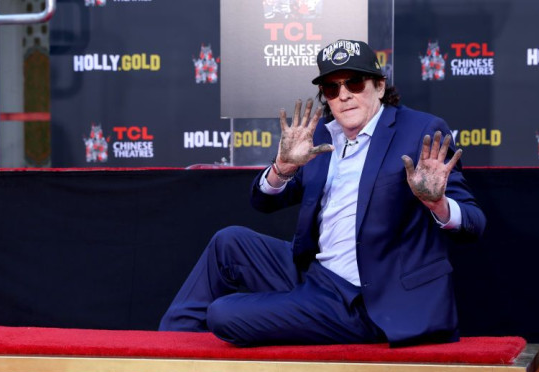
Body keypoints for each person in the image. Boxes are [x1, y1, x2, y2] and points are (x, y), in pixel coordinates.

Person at [159, 39, 485, 347]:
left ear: (380, 87)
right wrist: (282, 168)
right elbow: (263, 202)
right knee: (227, 243)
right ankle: (167, 359)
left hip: (366, 298)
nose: (343, 95)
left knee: (223, 313)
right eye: (332, 87)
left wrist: (437, 203)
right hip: (314, 273)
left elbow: (474, 223)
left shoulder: (420, 131)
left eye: (354, 83)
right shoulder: (320, 137)